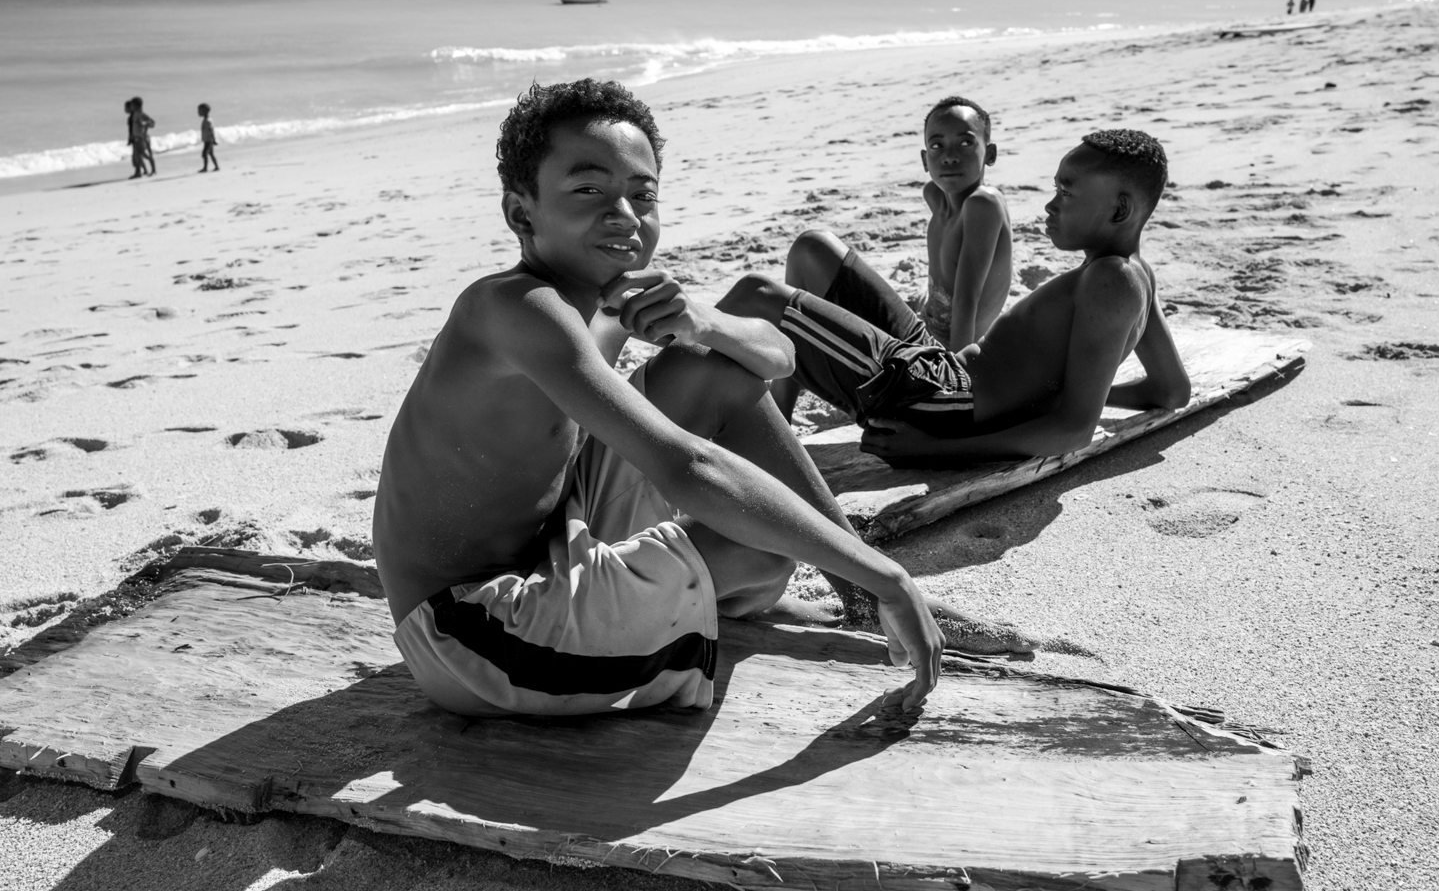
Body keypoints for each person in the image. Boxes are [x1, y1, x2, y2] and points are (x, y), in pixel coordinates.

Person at [373, 79, 1023, 720]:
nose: (623, 215)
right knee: (763, 548)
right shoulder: (518, 308)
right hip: (471, 629)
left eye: (640, 193)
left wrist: (705, 322)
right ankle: (861, 590)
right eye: (588, 190)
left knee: (708, 372)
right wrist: (889, 574)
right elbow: (685, 466)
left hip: (548, 543)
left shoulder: (611, 294)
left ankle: (843, 597)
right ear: (522, 213)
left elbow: (776, 358)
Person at [719, 129, 1192, 466]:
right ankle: (775, 422)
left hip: (938, 401)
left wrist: (933, 450)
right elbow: (1170, 391)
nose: (1050, 205)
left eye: (1066, 193)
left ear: (1121, 209)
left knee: (756, 296)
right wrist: (1065, 393)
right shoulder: (1133, 274)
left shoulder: (1112, 281)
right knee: (815, 248)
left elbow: (1073, 430)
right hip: (940, 367)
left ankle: (659, 414)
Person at [770, 96, 1010, 424]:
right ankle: (779, 413)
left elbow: (966, 301)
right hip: (918, 337)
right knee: (807, 251)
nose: (950, 156)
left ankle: (777, 415)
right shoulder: (938, 199)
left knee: (808, 253)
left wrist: (956, 386)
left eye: (966, 143)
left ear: (990, 153)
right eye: (937, 146)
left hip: (938, 363)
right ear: (925, 160)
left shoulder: (984, 204)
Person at [130, 97, 157, 177]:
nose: (131, 106)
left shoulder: (141, 114)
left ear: (136, 106)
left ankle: (153, 170)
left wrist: (145, 125)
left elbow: (152, 122)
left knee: (145, 155)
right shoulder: (135, 114)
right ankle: (141, 172)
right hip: (137, 138)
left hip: (143, 138)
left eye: (132, 105)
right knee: (137, 156)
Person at [125, 99, 145, 179]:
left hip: (137, 138)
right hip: (135, 138)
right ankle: (140, 171)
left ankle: (138, 172)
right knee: (136, 156)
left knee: (137, 156)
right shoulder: (133, 116)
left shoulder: (136, 115)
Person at [198, 103, 220, 172]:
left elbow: (211, 131)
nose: (198, 112)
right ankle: (216, 166)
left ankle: (205, 168)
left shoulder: (207, 121)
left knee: (204, 154)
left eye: (199, 110)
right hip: (207, 140)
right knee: (210, 154)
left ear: (204, 111)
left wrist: (213, 140)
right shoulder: (207, 120)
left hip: (209, 141)